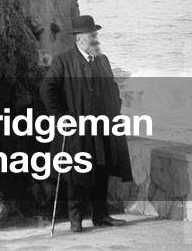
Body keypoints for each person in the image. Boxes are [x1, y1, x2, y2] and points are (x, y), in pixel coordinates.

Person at [40, 14, 132, 233]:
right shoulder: (64, 60)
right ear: (79, 39)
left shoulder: (102, 60)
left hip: (102, 126)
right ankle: (76, 220)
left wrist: (115, 108)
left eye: (96, 35)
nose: (95, 39)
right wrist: (61, 116)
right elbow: (47, 89)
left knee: (102, 170)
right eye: (92, 36)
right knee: (76, 175)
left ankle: (101, 216)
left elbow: (112, 88)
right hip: (76, 129)